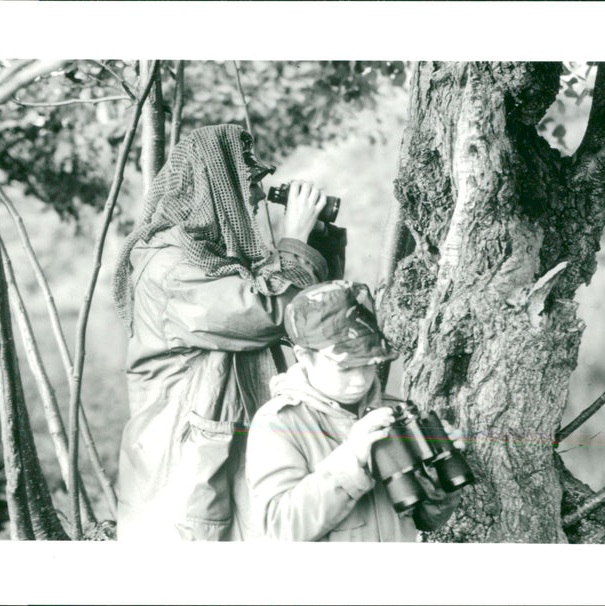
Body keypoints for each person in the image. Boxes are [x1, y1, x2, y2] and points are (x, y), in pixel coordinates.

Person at [112, 123, 345, 541]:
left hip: (215, 451)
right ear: (217, 189)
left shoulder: (218, 258)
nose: (258, 197)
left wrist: (317, 237)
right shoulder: (171, 268)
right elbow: (272, 313)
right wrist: (293, 238)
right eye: (249, 184)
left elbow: (311, 317)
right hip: (184, 467)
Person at [246, 280, 463, 541]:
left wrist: (440, 480)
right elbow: (277, 529)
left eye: (369, 363)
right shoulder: (279, 423)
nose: (360, 380)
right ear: (304, 356)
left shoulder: (391, 411)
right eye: (346, 367)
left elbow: (426, 521)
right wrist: (352, 457)